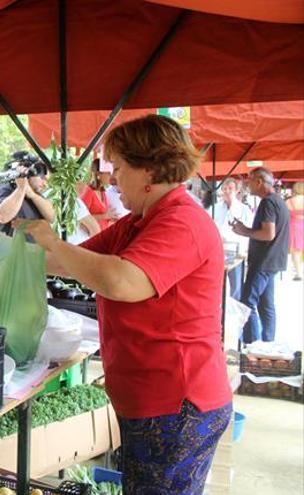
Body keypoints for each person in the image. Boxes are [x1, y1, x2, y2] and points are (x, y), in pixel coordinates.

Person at [18, 114, 231, 494]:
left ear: (148, 168)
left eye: (118, 167)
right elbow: (71, 262)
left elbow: (122, 281)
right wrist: (6, 256)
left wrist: (54, 242)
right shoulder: (139, 221)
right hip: (149, 398)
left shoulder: (181, 222)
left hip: (177, 401)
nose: (112, 178)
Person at [232, 167, 290, 343]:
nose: (247, 184)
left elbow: (268, 234)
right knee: (266, 306)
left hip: (264, 261)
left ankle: (252, 343)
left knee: (247, 303)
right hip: (272, 261)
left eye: (249, 181)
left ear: (259, 182)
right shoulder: (278, 201)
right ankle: (268, 344)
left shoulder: (268, 203)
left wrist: (245, 231)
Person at [0, 156, 55, 238]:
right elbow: (2, 217)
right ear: (29, 172)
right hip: (14, 250)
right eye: (42, 178)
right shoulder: (7, 190)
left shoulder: (34, 194)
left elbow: (52, 217)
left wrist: (31, 194)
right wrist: (21, 188)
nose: (45, 184)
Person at [212, 179, 253, 253]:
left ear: (236, 191)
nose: (227, 191)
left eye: (230, 188)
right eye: (224, 189)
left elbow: (250, 229)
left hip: (237, 250)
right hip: (218, 250)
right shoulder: (214, 208)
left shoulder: (244, 209)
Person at [80, 159, 118, 230]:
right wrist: (104, 216)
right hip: (91, 237)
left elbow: (106, 216)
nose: (111, 176)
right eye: (108, 173)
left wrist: (111, 218)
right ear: (98, 174)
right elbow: (82, 218)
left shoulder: (103, 192)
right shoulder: (88, 192)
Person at [286, 182, 304, 281]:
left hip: (294, 226)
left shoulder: (289, 201)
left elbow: (285, 216)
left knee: (296, 251)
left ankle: (299, 273)